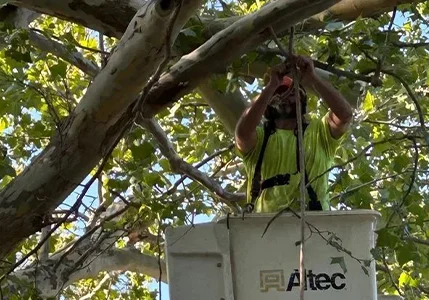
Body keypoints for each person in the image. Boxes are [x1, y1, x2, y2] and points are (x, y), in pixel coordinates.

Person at [235, 55, 352, 213]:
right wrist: (272, 85)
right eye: (280, 92)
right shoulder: (260, 139)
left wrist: (312, 77)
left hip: (315, 224)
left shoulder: (320, 131)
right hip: (264, 227)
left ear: (302, 100)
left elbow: (344, 115)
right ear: (269, 103)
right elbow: (242, 132)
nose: (286, 96)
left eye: (292, 92)